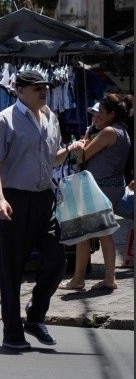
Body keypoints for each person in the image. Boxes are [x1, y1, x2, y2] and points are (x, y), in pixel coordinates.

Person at [0, 70, 84, 350]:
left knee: (57, 261)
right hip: (15, 199)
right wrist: (0, 199)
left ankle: (35, 317)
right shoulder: (5, 120)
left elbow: (52, 158)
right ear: (20, 90)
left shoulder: (51, 118)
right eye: (37, 87)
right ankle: (12, 333)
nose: (43, 91)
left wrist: (71, 150)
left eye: (45, 87)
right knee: (12, 268)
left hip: (44, 198)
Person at [60, 93, 132, 291]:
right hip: (111, 187)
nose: (97, 116)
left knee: (87, 234)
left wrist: (81, 142)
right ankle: (103, 279)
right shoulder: (122, 131)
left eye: (100, 112)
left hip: (100, 188)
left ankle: (80, 279)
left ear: (111, 114)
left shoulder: (108, 132)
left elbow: (82, 157)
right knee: (103, 233)